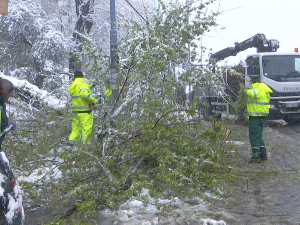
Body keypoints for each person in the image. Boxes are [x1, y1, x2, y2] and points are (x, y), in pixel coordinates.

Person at [245, 75, 273, 163]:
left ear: (253, 81)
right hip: (262, 116)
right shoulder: (264, 88)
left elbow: (253, 94)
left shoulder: (257, 87)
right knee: (259, 135)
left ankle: (255, 156)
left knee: (254, 136)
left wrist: (245, 90)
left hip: (255, 116)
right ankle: (263, 154)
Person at [68, 71, 99, 144]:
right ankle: (85, 149)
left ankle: (70, 148)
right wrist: (94, 100)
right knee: (86, 130)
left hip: (76, 112)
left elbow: (81, 91)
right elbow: (84, 94)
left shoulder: (74, 84)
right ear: (82, 76)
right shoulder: (83, 84)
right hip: (84, 112)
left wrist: (90, 86)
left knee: (75, 130)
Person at [0, 78, 16, 148]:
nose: (11, 95)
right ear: (4, 91)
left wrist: (6, 126)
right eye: (10, 91)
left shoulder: (2, 105)